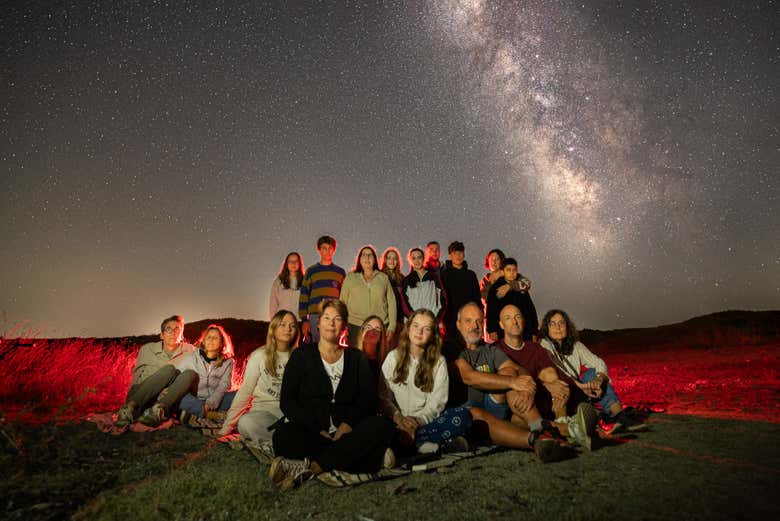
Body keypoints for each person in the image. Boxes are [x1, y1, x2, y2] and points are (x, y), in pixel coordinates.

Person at [270, 299, 395, 490]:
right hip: (313, 433)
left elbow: (367, 400)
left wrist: (348, 424)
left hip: (349, 432)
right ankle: (369, 457)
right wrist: (315, 428)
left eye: (337, 319)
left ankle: (313, 466)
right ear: (318, 324)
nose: (331, 322)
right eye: (327, 318)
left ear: (344, 326)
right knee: (282, 436)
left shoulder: (356, 357)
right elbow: (287, 402)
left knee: (382, 425)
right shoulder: (301, 356)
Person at [446, 302, 568, 462]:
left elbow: (517, 369)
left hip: (494, 406)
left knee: (509, 372)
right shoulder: (451, 347)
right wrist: (512, 382)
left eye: (478, 321)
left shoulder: (489, 349)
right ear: (458, 324)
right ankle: (540, 438)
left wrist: (526, 387)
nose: (474, 326)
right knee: (487, 413)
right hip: (466, 412)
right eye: (468, 321)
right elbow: (469, 377)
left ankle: (542, 429)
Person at [496, 304, 597, 450]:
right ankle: (569, 430)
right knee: (517, 417)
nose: (514, 321)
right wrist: (543, 384)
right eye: (508, 318)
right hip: (520, 407)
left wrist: (555, 384)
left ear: (523, 321)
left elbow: (551, 372)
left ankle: (564, 425)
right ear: (501, 324)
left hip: (543, 400)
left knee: (560, 385)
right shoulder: (496, 350)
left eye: (518, 317)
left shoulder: (535, 348)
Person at [379, 309, 472, 454]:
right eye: (415, 326)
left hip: (425, 422)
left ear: (433, 335)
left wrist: (418, 421)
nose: (419, 332)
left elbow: (437, 403)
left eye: (426, 329)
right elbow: (383, 397)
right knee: (376, 425)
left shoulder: (439, 361)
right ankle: (428, 444)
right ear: (408, 328)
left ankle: (409, 443)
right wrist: (398, 418)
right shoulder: (393, 357)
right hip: (396, 421)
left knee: (462, 415)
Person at [539, 309, 646, 433]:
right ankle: (596, 418)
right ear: (547, 328)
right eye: (553, 324)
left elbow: (598, 363)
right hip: (559, 392)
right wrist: (582, 386)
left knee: (592, 373)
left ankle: (619, 416)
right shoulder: (543, 346)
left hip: (578, 390)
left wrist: (598, 379)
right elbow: (560, 373)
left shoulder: (575, 345)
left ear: (567, 326)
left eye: (561, 323)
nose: (558, 327)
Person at [218, 310, 298, 441]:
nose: (288, 329)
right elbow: (245, 391)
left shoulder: (300, 356)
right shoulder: (259, 355)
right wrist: (226, 427)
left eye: (293, 325)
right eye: (282, 324)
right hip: (263, 415)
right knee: (245, 423)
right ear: (273, 327)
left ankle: (284, 440)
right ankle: (288, 441)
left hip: (290, 415)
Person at [115, 315, 198, 427]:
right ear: (162, 335)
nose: (173, 332)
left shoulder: (190, 350)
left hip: (167, 397)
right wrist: (131, 397)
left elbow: (190, 379)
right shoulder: (147, 349)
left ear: (182, 335)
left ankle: (157, 412)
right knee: (169, 369)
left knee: (190, 373)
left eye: (177, 329)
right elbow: (137, 375)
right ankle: (129, 408)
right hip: (142, 395)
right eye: (168, 329)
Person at [176, 324, 236, 423]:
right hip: (194, 399)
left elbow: (224, 385)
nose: (211, 340)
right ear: (203, 341)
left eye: (215, 338)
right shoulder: (191, 358)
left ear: (221, 343)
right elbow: (178, 376)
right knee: (180, 397)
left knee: (239, 395)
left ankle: (195, 413)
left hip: (217, 401)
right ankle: (210, 414)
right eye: (208, 337)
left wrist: (211, 403)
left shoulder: (228, 362)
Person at [340, 245, 397, 347]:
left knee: (378, 360)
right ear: (359, 259)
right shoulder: (350, 277)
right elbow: (342, 302)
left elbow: (392, 303)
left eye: (370, 255)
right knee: (356, 359)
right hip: (355, 326)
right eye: (364, 255)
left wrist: (392, 327)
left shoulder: (383, 278)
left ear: (375, 259)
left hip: (379, 326)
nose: (367, 257)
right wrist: (343, 326)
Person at [299, 235, 345, 343]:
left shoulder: (340, 272)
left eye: (330, 248)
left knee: (331, 345)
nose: (327, 251)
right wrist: (304, 320)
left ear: (334, 250)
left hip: (333, 315)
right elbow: (304, 295)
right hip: (315, 316)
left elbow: (344, 298)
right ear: (319, 250)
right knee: (315, 347)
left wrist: (343, 319)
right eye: (324, 248)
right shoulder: (311, 271)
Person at [485, 257, 538, 342]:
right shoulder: (496, 288)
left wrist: (534, 331)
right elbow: (491, 309)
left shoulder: (521, 288)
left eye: (514, 270)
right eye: (508, 270)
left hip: (524, 332)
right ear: (503, 272)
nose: (512, 273)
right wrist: (491, 329)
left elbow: (530, 309)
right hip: (503, 332)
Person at [440, 241, 481, 341]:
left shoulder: (471, 274)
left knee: (470, 343)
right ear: (450, 255)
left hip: (470, 317)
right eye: (455, 253)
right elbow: (442, 297)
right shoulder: (444, 275)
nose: (458, 256)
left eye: (460, 253)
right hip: (451, 318)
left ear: (464, 254)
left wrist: (479, 312)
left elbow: (476, 296)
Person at [401, 247, 446, 321]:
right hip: (414, 322)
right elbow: (404, 303)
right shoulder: (406, 280)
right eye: (414, 258)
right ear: (410, 260)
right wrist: (413, 318)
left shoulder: (434, 277)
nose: (417, 261)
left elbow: (443, 299)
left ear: (424, 258)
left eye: (419, 257)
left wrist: (437, 318)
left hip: (431, 320)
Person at [379, 246, 405, 341]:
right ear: (385, 260)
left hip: (399, 317)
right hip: (385, 317)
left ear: (398, 261)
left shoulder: (402, 278)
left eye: (394, 258)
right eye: (389, 258)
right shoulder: (379, 275)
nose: (392, 261)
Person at [269, 252, 305, 318]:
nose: (293, 263)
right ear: (286, 264)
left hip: (299, 320)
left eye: (296, 261)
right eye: (290, 261)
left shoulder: (305, 281)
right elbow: (273, 304)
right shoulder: (278, 282)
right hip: (282, 320)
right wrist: (273, 321)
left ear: (299, 263)